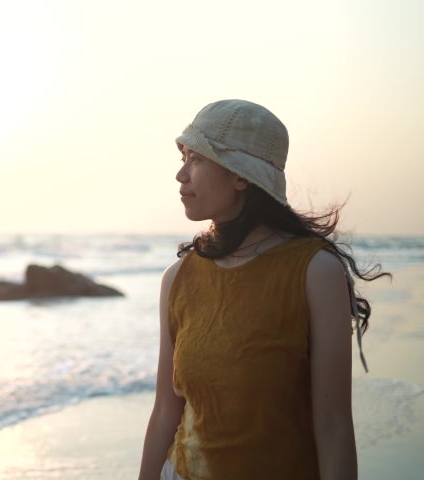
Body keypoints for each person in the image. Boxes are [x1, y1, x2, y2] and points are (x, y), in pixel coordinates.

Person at [137, 100, 390, 480]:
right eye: (183, 156)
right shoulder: (178, 277)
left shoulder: (314, 271)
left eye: (196, 159)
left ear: (241, 176)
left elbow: (334, 425)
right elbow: (164, 413)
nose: (180, 174)